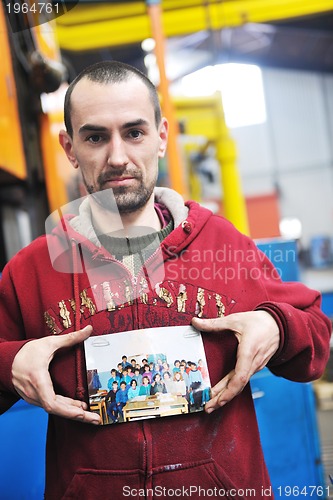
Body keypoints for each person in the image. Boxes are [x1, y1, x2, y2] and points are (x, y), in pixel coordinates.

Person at [0, 60, 330, 499]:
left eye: (134, 132)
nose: (117, 156)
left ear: (161, 136)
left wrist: (277, 325)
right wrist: (10, 365)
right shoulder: (33, 270)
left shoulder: (222, 245)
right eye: (96, 136)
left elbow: (317, 340)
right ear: (69, 147)